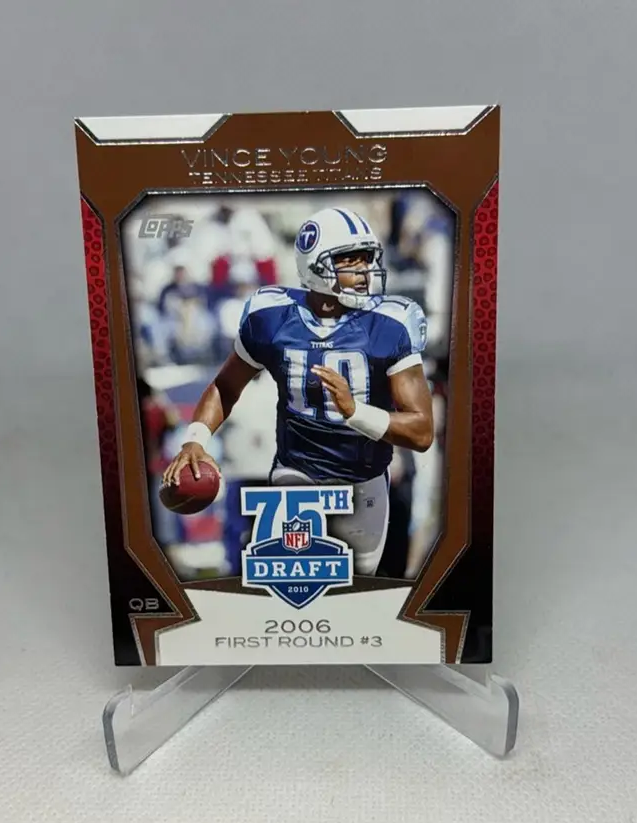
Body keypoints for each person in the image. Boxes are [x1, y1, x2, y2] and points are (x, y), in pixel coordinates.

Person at [162, 206, 434, 576]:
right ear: (316, 265)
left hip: (364, 484)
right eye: (349, 260)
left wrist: (355, 412)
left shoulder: (391, 324)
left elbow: (421, 431)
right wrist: (196, 439)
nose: (364, 271)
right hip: (297, 475)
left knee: (352, 591)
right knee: (291, 581)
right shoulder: (271, 318)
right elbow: (225, 386)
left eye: (367, 258)